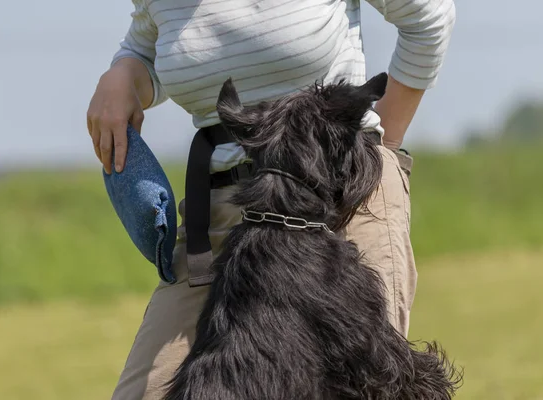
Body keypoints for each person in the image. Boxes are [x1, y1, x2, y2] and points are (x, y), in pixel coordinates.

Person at [87, 1, 456, 398]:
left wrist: (379, 148)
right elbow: (148, 47)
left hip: (340, 204)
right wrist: (124, 73)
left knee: (370, 387)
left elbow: (428, 18)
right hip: (222, 216)